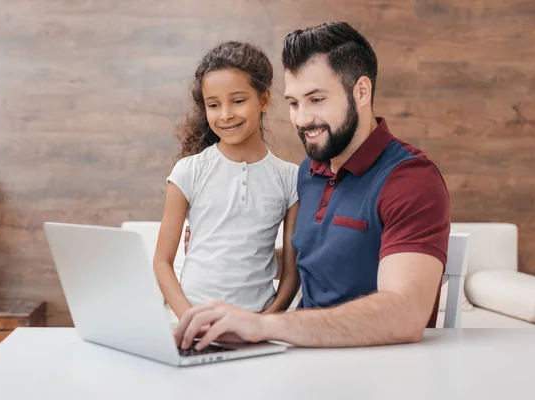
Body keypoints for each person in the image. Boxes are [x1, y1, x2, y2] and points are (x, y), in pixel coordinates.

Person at [174, 22, 451, 351]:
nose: (302, 119)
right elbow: (321, 258)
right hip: (298, 355)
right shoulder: (309, 172)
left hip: (374, 366)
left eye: (316, 99)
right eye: (293, 103)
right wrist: (223, 249)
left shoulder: (411, 180)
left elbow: (405, 314)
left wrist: (262, 324)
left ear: (361, 92)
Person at [153, 41, 301, 320]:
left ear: (264, 100)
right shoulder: (189, 171)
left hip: (259, 321)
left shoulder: (289, 178)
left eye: (238, 100)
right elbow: (162, 262)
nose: (225, 115)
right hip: (194, 319)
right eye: (214, 104)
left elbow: (292, 271)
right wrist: (190, 318)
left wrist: (266, 321)